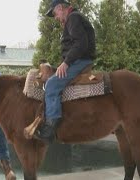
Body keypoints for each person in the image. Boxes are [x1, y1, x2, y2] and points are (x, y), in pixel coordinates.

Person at [34, 0, 96, 143]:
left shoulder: (73, 18)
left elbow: (81, 44)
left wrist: (66, 63)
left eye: (55, 14)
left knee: (51, 85)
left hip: (80, 61)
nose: (56, 18)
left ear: (60, 8)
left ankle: (50, 129)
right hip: (77, 60)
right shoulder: (73, 19)